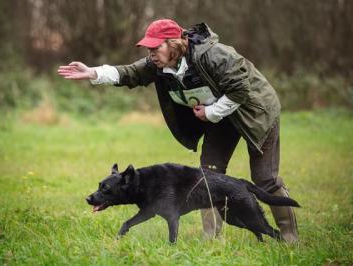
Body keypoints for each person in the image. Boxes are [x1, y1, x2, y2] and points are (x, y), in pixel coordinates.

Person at [57, 19, 298, 243]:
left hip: (255, 112)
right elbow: (130, 72)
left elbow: (239, 90)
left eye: (155, 48)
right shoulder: (158, 64)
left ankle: (289, 238)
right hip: (219, 116)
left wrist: (211, 112)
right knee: (207, 174)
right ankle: (211, 239)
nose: (151, 54)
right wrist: (93, 72)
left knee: (264, 178)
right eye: (148, 49)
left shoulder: (214, 55)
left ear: (174, 44)